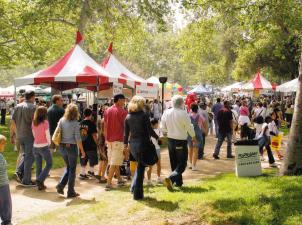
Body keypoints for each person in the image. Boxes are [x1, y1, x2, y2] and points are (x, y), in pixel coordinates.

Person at [124, 96, 159, 200]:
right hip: (142, 144)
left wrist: (125, 146)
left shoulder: (128, 116)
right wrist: (158, 138)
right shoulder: (143, 115)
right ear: (140, 104)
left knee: (140, 166)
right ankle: (138, 194)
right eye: (143, 103)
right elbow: (150, 130)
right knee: (141, 168)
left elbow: (126, 134)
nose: (145, 105)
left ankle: (133, 188)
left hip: (133, 145)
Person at [161, 95, 195, 191]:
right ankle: (171, 178)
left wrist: (166, 132)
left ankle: (178, 183)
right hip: (180, 140)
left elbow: (162, 126)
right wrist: (193, 136)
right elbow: (189, 126)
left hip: (170, 139)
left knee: (174, 161)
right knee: (182, 163)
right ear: (182, 103)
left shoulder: (166, 112)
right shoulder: (183, 113)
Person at [56, 104, 86, 198]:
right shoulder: (75, 123)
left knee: (69, 167)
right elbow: (78, 138)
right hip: (71, 147)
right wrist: (82, 151)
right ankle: (70, 191)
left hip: (62, 146)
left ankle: (61, 185)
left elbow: (58, 132)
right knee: (72, 169)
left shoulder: (61, 120)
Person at [10, 90, 36, 186]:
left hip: (19, 134)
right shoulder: (33, 107)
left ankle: (19, 172)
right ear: (32, 97)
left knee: (26, 155)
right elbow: (35, 122)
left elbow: (13, 122)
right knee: (30, 157)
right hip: (30, 135)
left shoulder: (18, 106)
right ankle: (26, 180)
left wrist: (12, 135)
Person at [103, 94, 128, 191]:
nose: (124, 102)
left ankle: (120, 180)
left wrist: (106, 138)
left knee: (114, 161)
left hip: (109, 140)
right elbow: (126, 128)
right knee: (114, 162)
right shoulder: (123, 112)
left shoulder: (107, 110)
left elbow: (104, 125)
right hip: (118, 140)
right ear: (118, 100)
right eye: (123, 100)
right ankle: (108, 184)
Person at [32, 106, 53, 190]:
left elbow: (34, 134)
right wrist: (49, 143)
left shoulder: (34, 122)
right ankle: (40, 180)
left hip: (35, 146)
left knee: (38, 165)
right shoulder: (45, 123)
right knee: (49, 163)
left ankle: (40, 185)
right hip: (44, 146)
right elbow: (47, 135)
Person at [79, 108, 98, 179]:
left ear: (84, 114)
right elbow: (94, 135)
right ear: (90, 115)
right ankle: (91, 171)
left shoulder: (80, 123)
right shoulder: (91, 123)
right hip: (91, 145)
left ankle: (82, 173)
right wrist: (97, 143)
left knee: (83, 159)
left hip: (82, 144)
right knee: (92, 158)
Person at [188, 103, 205, 170]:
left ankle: (190, 164)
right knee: (196, 150)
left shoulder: (188, 116)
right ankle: (194, 166)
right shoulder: (200, 116)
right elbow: (204, 121)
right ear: (197, 109)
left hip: (189, 134)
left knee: (190, 149)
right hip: (197, 134)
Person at [0, 135, 12, 225]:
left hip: (3, 182)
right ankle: (6, 221)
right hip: (3, 183)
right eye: (3, 144)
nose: (5, 145)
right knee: (5, 202)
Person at [146, 118, 163, 185]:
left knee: (150, 166)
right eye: (157, 123)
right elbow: (161, 141)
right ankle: (158, 178)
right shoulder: (159, 131)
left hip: (150, 150)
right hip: (157, 149)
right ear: (155, 124)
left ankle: (149, 180)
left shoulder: (148, 131)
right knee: (158, 164)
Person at [97, 118, 108, 183]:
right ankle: (102, 177)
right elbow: (105, 133)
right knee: (105, 160)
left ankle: (99, 175)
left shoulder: (102, 120)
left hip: (100, 142)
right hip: (103, 144)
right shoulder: (105, 120)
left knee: (102, 160)